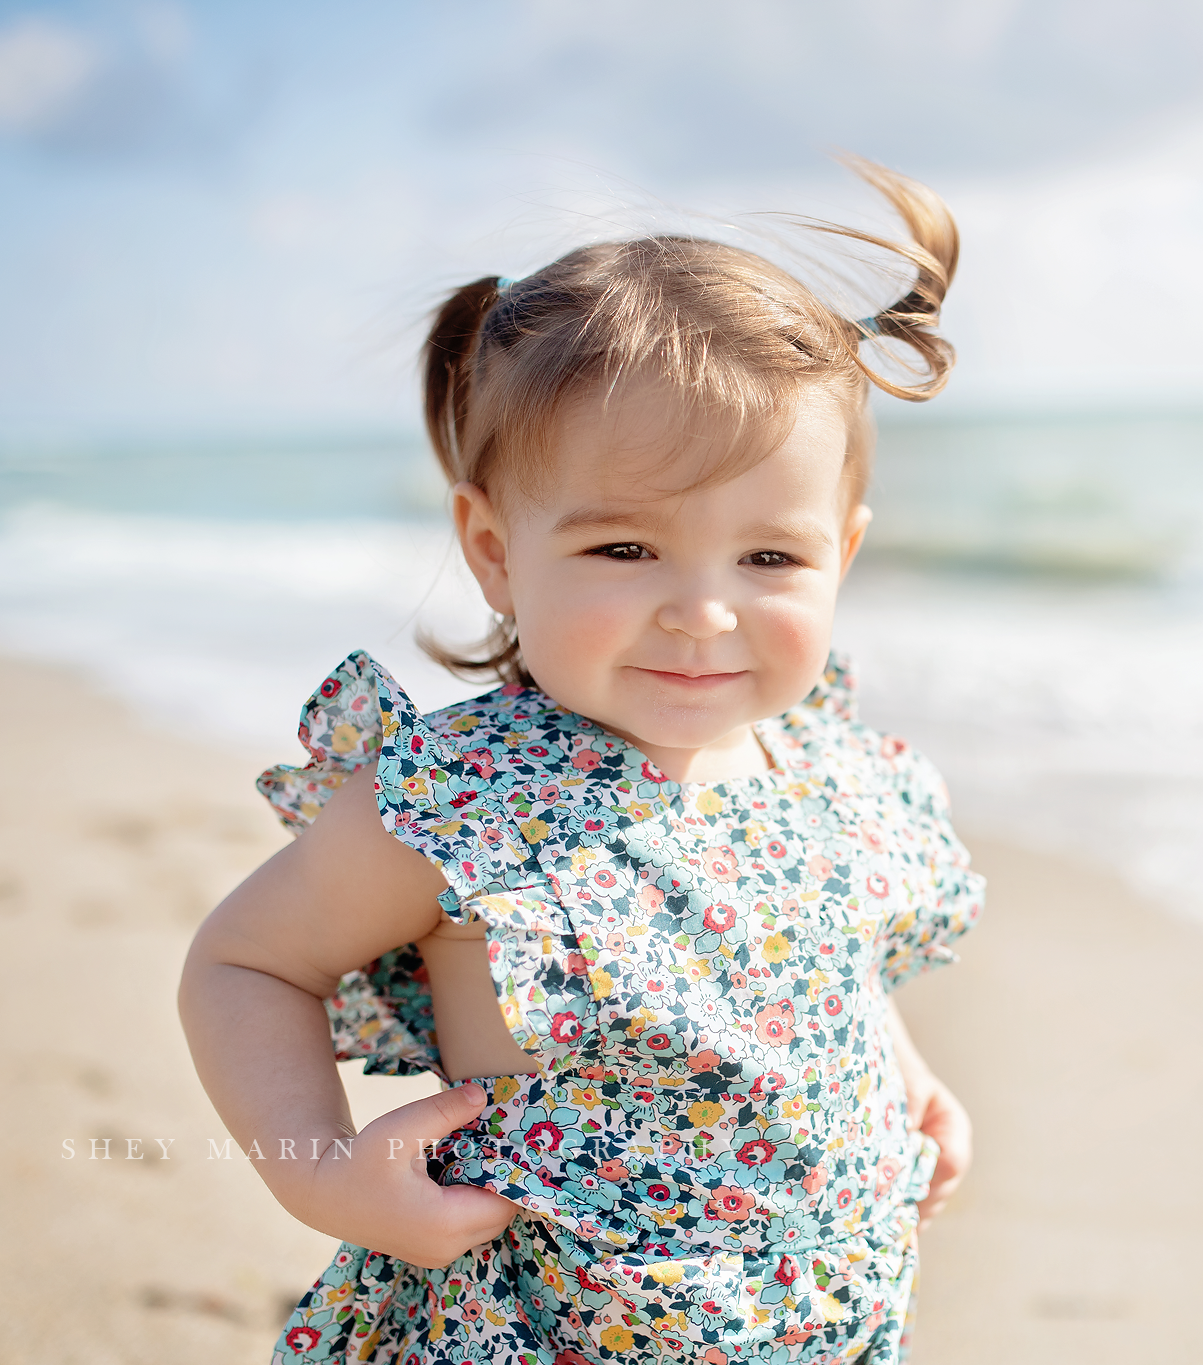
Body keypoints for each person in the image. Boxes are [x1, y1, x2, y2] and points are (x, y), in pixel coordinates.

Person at [178, 158, 983, 1365]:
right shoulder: (470, 803)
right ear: (495, 551)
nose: (702, 612)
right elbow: (244, 965)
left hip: (820, 1320)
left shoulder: (820, 763)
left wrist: (905, 1074)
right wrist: (324, 1172)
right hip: (551, 1327)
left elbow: (826, 963)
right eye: (624, 548)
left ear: (844, 552)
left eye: (769, 560)